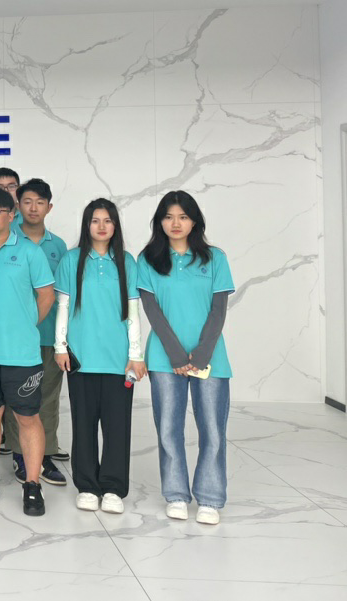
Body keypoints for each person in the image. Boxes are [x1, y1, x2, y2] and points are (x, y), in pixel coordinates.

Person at [137, 190, 235, 526]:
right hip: (165, 358)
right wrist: (176, 354)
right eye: (168, 217)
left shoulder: (215, 258)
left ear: (194, 221)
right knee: (168, 429)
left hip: (211, 357)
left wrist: (203, 352)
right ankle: (176, 494)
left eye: (182, 216)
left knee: (213, 430)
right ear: (159, 222)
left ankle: (210, 497)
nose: (175, 223)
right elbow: (152, 310)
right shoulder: (148, 259)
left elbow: (218, 309)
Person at [0, 187, 55, 517]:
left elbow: (46, 295)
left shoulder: (30, 252)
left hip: (21, 354)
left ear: (11, 215)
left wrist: (25, 323)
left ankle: (32, 483)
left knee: (27, 417)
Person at [54, 199, 146, 514]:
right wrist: (60, 346)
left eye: (108, 220)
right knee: (83, 424)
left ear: (115, 225)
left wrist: (136, 354)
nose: (102, 226)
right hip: (81, 358)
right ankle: (87, 486)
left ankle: (113, 488)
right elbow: (63, 305)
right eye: (95, 220)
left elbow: (133, 311)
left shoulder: (127, 262)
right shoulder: (71, 260)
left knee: (117, 426)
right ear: (87, 225)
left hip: (119, 360)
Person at [3, 179, 69, 485]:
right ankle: (19, 453)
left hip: (47, 335)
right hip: (11, 338)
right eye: (27, 201)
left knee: (47, 397)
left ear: (49, 207)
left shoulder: (58, 246)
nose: (33, 208)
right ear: (18, 205)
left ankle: (44, 454)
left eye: (40, 203)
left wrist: (63, 338)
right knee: (16, 399)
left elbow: (62, 295)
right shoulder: (5, 239)